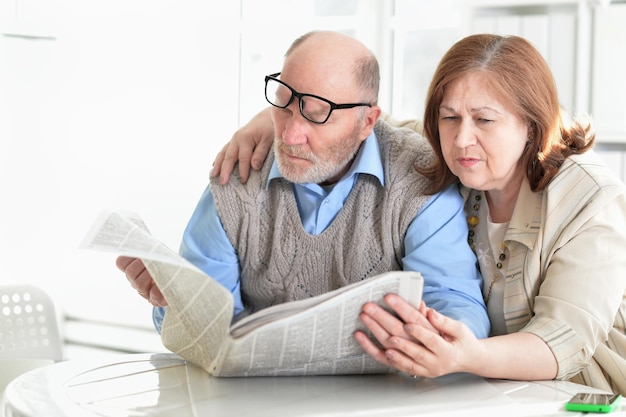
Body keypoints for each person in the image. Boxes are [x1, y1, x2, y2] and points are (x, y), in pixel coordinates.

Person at [211, 34, 626, 394]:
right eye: (449, 117)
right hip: (491, 394)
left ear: (532, 126)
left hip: (587, 394)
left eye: (484, 119)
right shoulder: (444, 159)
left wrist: (468, 355)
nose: (463, 138)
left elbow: (564, 340)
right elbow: (349, 119)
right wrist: (268, 124)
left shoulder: (590, 198)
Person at [117, 31, 490, 346]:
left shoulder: (419, 178)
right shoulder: (239, 172)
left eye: (317, 113)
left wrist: (440, 342)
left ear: (367, 122)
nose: (291, 135)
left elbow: (456, 304)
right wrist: (175, 300)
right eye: (282, 105)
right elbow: (208, 332)